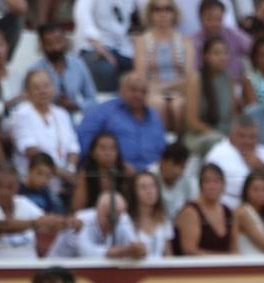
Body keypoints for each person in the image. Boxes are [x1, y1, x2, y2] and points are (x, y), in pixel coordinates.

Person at [0, 162, 68, 259]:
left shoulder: (23, 202)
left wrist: (65, 222)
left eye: (11, 186)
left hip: (31, 265)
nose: (7, 191)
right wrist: (35, 224)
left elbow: (46, 222)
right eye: (2, 186)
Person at [204, 115, 264, 215]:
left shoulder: (263, 152)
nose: (247, 141)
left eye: (252, 137)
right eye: (242, 136)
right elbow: (239, 187)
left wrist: (261, 166)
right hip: (232, 217)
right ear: (231, 135)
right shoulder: (218, 155)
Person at [75, 73, 168, 172]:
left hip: (152, 175)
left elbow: (162, 148)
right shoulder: (103, 111)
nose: (138, 95)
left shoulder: (154, 116)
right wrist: (114, 164)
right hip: (115, 173)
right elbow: (84, 141)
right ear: (121, 90)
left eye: (143, 91)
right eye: (133, 90)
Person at [9, 69, 80, 184]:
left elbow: (73, 146)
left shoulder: (61, 113)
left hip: (64, 180)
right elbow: (30, 149)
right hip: (32, 183)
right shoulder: (21, 114)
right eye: (36, 88)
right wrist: (61, 172)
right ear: (27, 92)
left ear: (53, 88)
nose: (42, 91)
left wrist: (71, 168)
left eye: (46, 86)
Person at [133, 0, 193, 133]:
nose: (163, 13)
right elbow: (140, 76)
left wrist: (164, 87)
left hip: (180, 89)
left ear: (174, 13)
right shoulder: (141, 42)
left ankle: (181, 144)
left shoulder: (185, 41)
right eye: (157, 9)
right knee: (157, 104)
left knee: (178, 105)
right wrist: (154, 89)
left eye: (167, 9)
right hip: (151, 90)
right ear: (150, 13)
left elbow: (189, 77)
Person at [183, 36, 239, 156]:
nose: (222, 57)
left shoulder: (230, 78)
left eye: (225, 53)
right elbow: (192, 121)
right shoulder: (196, 80)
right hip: (201, 136)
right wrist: (219, 136)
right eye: (217, 53)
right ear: (206, 56)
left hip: (226, 134)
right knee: (217, 142)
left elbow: (233, 116)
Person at [29, 23, 97, 115]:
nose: (56, 48)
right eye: (49, 44)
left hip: (72, 122)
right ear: (42, 45)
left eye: (59, 42)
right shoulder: (35, 70)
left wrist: (77, 105)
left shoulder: (77, 64)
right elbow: (27, 102)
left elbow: (92, 99)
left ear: (65, 41)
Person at [173, 162, 235, 254]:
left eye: (216, 181)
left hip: (222, 266)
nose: (212, 186)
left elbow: (234, 249)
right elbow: (190, 250)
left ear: (223, 185)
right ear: (200, 185)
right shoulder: (190, 211)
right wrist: (223, 259)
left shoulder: (228, 212)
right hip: (194, 267)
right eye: (207, 182)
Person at [116, 170, 174, 258]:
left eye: (153, 186)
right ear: (134, 192)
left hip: (159, 270)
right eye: (143, 187)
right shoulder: (124, 220)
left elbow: (168, 254)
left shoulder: (163, 219)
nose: (149, 191)